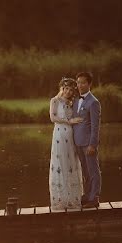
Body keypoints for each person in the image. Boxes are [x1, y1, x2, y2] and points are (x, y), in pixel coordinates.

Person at [49, 77, 84, 210]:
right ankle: (60, 199)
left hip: (70, 134)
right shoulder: (55, 100)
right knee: (60, 162)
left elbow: (78, 117)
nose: (68, 91)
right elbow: (53, 118)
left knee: (71, 163)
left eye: (71, 89)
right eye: (66, 89)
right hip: (59, 134)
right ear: (62, 88)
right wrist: (69, 121)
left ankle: (72, 199)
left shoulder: (72, 102)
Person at [73, 72, 102, 208]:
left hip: (88, 143)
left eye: (83, 82)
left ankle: (94, 198)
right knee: (85, 171)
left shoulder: (94, 102)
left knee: (93, 170)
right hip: (78, 142)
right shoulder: (75, 100)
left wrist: (93, 144)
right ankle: (87, 195)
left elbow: (95, 126)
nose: (80, 85)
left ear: (89, 84)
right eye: (78, 82)